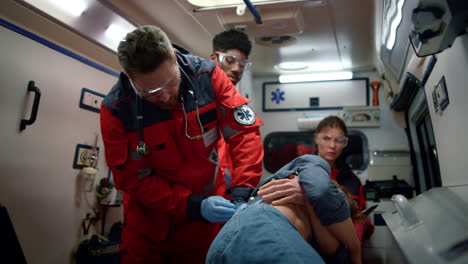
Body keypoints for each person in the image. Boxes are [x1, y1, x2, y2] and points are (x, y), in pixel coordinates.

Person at [100, 25, 264, 263]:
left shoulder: (208, 77)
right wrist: (192, 204)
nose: (166, 96)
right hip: (149, 229)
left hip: (204, 226)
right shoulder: (116, 110)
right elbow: (132, 179)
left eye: (170, 83)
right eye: (152, 91)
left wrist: (241, 192)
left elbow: (244, 134)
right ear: (130, 78)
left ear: (175, 60)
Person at [206, 155, 361, 264]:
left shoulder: (312, 211)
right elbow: (322, 192)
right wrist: (355, 250)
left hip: (224, 241)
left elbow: (330, 248)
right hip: (264, 227)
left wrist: (308, 200)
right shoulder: (317, 167)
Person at [258, 115, 373, 242]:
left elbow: (358, 217)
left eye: (339, 140)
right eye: (326, 138)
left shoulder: (351, 181)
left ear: (345, 143)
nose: (332, 145)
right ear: (316, 138)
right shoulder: (297, 170)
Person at [210, 29, 252, 202]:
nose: (236, 69)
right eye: (230, 60)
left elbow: (247, 157)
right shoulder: (193, 101)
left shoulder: (239, 110)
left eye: (242, 64)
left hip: (228, 199)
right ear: (214, 59)